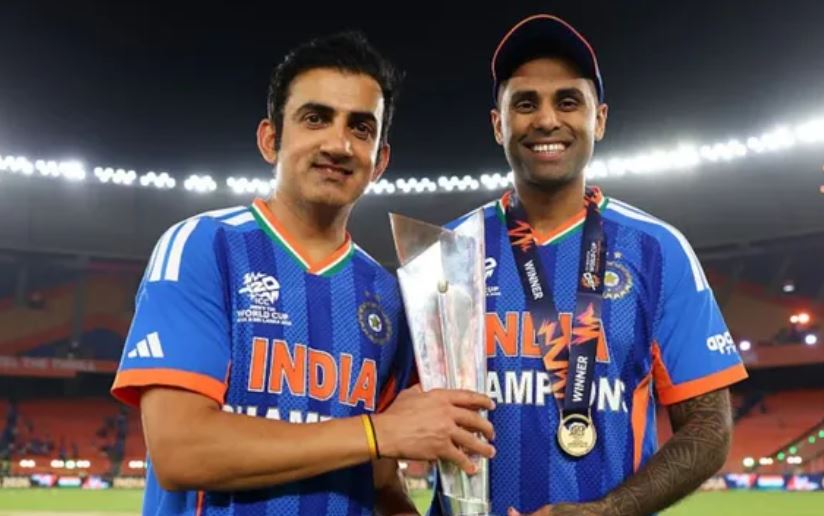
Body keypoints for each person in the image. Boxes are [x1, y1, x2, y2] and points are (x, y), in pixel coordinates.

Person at [111, 31, 494, 515]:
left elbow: (379, 480)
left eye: (361, 128)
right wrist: (375, 431)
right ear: (270, 139)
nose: (339, 143)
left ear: (380, 161)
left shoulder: (389, 295)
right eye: (316, 119)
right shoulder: (204, 246)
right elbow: (181, 449)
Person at [436, 14, 749, 516]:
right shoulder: (446, 250)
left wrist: (607, 512)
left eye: (568, 101)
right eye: (525, 103)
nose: (546, 120)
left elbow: (710, 426)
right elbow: (393, 412)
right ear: (498, 125)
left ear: (598, 120)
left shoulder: (659, 250)